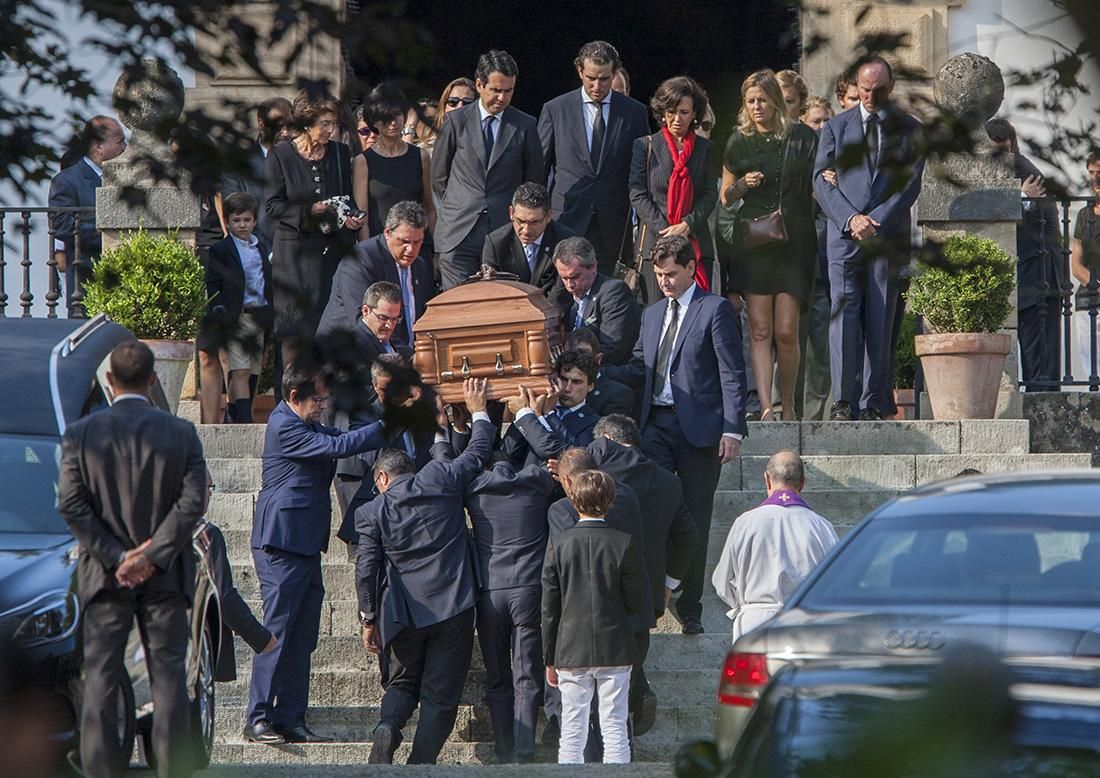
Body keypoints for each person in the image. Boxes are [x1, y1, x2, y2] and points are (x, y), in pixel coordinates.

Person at [57, 341, 206, 777]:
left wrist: (117, 555)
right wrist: (153, 554)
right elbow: (192, 503)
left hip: (105, 574)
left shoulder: (81, 435)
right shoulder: (181, 434)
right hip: (165, 575)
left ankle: (102, 770)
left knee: (100, 678)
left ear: (108, 381)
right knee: (168, 680)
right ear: (154, 379)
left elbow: (71, 504)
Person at [603, 234, 747, 635]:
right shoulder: (650, 315)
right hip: (656, 426)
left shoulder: (714, 309)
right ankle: (654, 591)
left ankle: (692, 605)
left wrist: (733, 429)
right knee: (654, 508)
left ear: (689, 269)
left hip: (701, 431)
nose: (664, 281)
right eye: (659, 274)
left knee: (696, 517)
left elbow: (731, 373)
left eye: (671, 274)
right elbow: (638, 366)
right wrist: (595, 373)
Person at [244, 365, 386, 745]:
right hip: (281, 542)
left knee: (303, 636)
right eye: (317, 399)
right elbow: (340, 447)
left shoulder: (308, 423)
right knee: (275, 632)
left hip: (305, 543)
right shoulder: (284, 425)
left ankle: (290, 717)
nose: (324, 405)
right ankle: (258, 716)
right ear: (294, 398)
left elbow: (344, 435)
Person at [355, 378, 494, 765]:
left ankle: (388, 726)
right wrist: (478, 409)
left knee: (402, 682)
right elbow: (479, 451)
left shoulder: (372, 512)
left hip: (404, 613)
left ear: (381, 478)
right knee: (439, 695)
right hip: (453, 605)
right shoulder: (440, 477)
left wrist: (369, 617)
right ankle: (420, 764)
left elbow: (366, 568)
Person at [813, 55, 924, 421]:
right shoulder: (835, 127)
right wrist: (850, 219)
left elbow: (909, 185)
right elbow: (819, 181)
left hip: (885, 234)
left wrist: (873, 220)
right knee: (844, 314)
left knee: (881, 316)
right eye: (864, 89)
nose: (870, 96)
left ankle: (873, 401)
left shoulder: (910, 129)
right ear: (855, 86)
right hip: (844, 236)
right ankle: (844, 402)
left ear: (890, 88)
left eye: (878, 90)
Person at [588, 413, 698, 735]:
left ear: (604, 441)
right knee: (627, 678)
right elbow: (689, 537)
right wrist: (667, 585)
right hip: (644, 597)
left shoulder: (594, 476)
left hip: (596, 593)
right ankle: (634, 708)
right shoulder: (668, 480)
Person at [720, 69, 819, 421]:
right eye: (750, 101)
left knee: (786, 331)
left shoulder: (804, 137)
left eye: (762, 100)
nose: (757, 107)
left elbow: (816, 186)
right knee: (760, 330)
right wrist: (743, 185)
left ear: (775, 101)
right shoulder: (738, 141)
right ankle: (765, 407)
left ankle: (788, 405)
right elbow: (726, 198)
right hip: (755, 243)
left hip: (795, 242)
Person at [543, 469, 647, 765]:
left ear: (573, 499)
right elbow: (636, 601)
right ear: (610, 500)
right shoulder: (623, 542)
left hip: (570, 647)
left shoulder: (559, 543)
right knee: (614, 725)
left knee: (572, 730)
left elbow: (550, 607)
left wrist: (549, 655)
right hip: (615, 643)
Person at [460, 446, 556, 763]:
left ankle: (503, 748)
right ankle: (525, 748)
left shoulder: (474, 487)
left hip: (490, 594)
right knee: (527, 674)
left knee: (498, 676)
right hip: (529, 592)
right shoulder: (536, 481)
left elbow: (446, 465)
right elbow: (550, 450)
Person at [265, 89, 363, 386]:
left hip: (329, 257)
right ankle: (288, 402)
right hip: (293, 260)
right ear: (306, 123)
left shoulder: (339, 152)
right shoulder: (280, 154)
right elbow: (272, 205)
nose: (330, 130)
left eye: (333, 124)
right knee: (293, 334)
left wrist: (351, 218)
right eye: (324, 123)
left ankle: (323, 400)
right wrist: (308, 212)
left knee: (327, 331)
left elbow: (345, 198)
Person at [432, 50, 545, 289]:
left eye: (508, 91)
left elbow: (533, 181)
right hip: (458, 232)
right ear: (480, 84)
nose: (502, 98)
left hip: (503, 233)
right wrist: (457, 206)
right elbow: (439, 177)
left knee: (499, 309)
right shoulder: (456, 121)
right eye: (496, 90)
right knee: (459, 308)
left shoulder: (525, 125)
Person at [538, 41, 650, 275]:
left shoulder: (634, 112)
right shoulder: (556, 109)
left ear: (615, 73)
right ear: (580, 71)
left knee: (608, 294)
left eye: (605, 79)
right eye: (591, 78)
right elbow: (539, 168)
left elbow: (642, 170)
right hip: (567, 217)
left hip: (613, 225)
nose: (597, 85)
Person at [711, 450, 838, 641]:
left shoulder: (745, 523)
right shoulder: (822, 527)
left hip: (755, 623)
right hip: (805, 624)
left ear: (767, 480)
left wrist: (745, 604)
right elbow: (835, 582)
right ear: (802, 484)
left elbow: (722, 581)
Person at [985, 118, 1065, 390]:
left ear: (1013, 146)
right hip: (1033, 277)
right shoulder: (1008, 170)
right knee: (1037, 359)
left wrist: (1019, 196)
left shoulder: (1021, 170)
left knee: (1040, 363)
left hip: (1038, 279)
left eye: (1003, 151)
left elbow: (996, 209)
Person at [630, 76, 719, 303]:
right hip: (655, 243)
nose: (676, 118)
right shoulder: (645, 145)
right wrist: (666, 230)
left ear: (695, 114)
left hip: (694, 240)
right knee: (656, 313)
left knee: (696, 312)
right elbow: (637, 193)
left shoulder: (706, 149)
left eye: (684, 112)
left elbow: (710, 193)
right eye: (671, 111)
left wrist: (687, 224)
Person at [317, 200, 432, 350]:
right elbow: (365, 325)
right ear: (387, 233)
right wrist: (406, 360)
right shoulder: (360, 261)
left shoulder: (419, 266)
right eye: (404, 241)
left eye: (417, 242)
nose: (410, 249)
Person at [202, 192, 273, 425]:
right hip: (236, 315)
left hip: (259, 314)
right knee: (240, 369)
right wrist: (219, 306)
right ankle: (244, 419)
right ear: (227, 221)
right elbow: (212, 282)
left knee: (253, 371)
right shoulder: (221, 250)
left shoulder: (262, 247)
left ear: (255, 220)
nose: (242, 225)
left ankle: (233, 412)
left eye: (246, 220)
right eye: (236, 220)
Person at [49, 115, 127, 316]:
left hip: (126, 282)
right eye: (119, 142)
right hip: (87, 279)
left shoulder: (128, 177)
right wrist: (111, 236)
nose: (125, 147)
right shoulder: (67, 181)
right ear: (99, 146)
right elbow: (63, 227)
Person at [352, 83, 436, 243]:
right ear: (375, 121)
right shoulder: (363, 161)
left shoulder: (420, 156)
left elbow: (430, 209)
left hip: (417, 245)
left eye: (397, 114)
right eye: (385, 117)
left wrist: (435, 251)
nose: (393, 122)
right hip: (380, 247)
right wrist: (366, 253)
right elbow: (363, 217)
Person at [800, 96, 836, 421]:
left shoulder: (832, 167)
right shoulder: (798, 162)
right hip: (794, 273)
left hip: (824, 275)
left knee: (820, 351)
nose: (822, 127)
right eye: (816, 121)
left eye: (827, 121)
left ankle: (816, 416)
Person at [504, 351, 602, 468]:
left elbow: (574, 456)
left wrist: (547, 415)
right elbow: (507, 451)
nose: (567, 388)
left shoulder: (594, 423)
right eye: (564, 379)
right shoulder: (535, 406)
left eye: (576, 382)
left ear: (590, 386)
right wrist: (530, 414)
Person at [553, 236, 640, 365]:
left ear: (593, 267)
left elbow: (612, 349)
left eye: (575, 277)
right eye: (564, 278)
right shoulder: (568, 291)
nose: (569, 284)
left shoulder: (614, 292)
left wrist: (568, 364)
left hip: (607, 373)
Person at [221, 96, 294, 248]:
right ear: (261, 123)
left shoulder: (302, 159)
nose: (286, 133)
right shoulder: (238, 164)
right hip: (255, 251)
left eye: (290, 126)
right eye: (279, 126)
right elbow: (236, 215)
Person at [481, 182, 575, 293]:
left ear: (548, 216)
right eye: (520, 221)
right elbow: (492, 290)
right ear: (511, 213)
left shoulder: (565, 241)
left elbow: (560, 295)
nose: (526, 230)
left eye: (534, 222)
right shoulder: (495, 244)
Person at [1070, 151, 1100, 375]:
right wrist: (1096, 284)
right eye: (1091, 173)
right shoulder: (1084, 215)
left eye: (1099, 172)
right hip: (1088, 299)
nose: (1095, 178)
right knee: (1093, 372)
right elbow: (1076, 265)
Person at [564, 328, 634, 416]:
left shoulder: (618, 394)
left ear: (598, 359)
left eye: (583, 354)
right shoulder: (555, 387)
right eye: (569, 355)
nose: (576, 360)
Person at [425, 77, 477, 157]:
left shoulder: (486, 144)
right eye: (452, 101)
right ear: (443, 107)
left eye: (467, 103)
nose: (459, 107)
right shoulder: (426, 149)